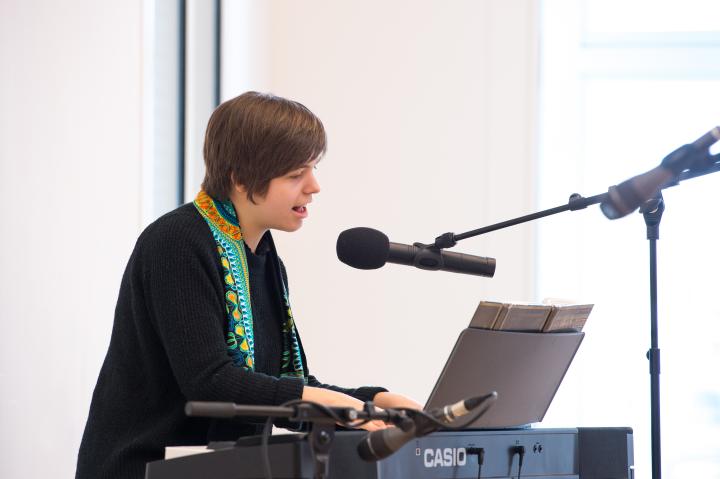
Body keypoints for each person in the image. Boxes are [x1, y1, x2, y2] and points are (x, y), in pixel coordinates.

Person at [75, 91, 421, 479]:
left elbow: (276, 390)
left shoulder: (264, 257)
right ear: (240, 178)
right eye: (295, 174)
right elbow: (211, 382)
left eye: (313, 168)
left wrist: (373, 401)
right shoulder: (176, 241)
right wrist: (326, 402)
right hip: (143, 469)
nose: (314, 186)